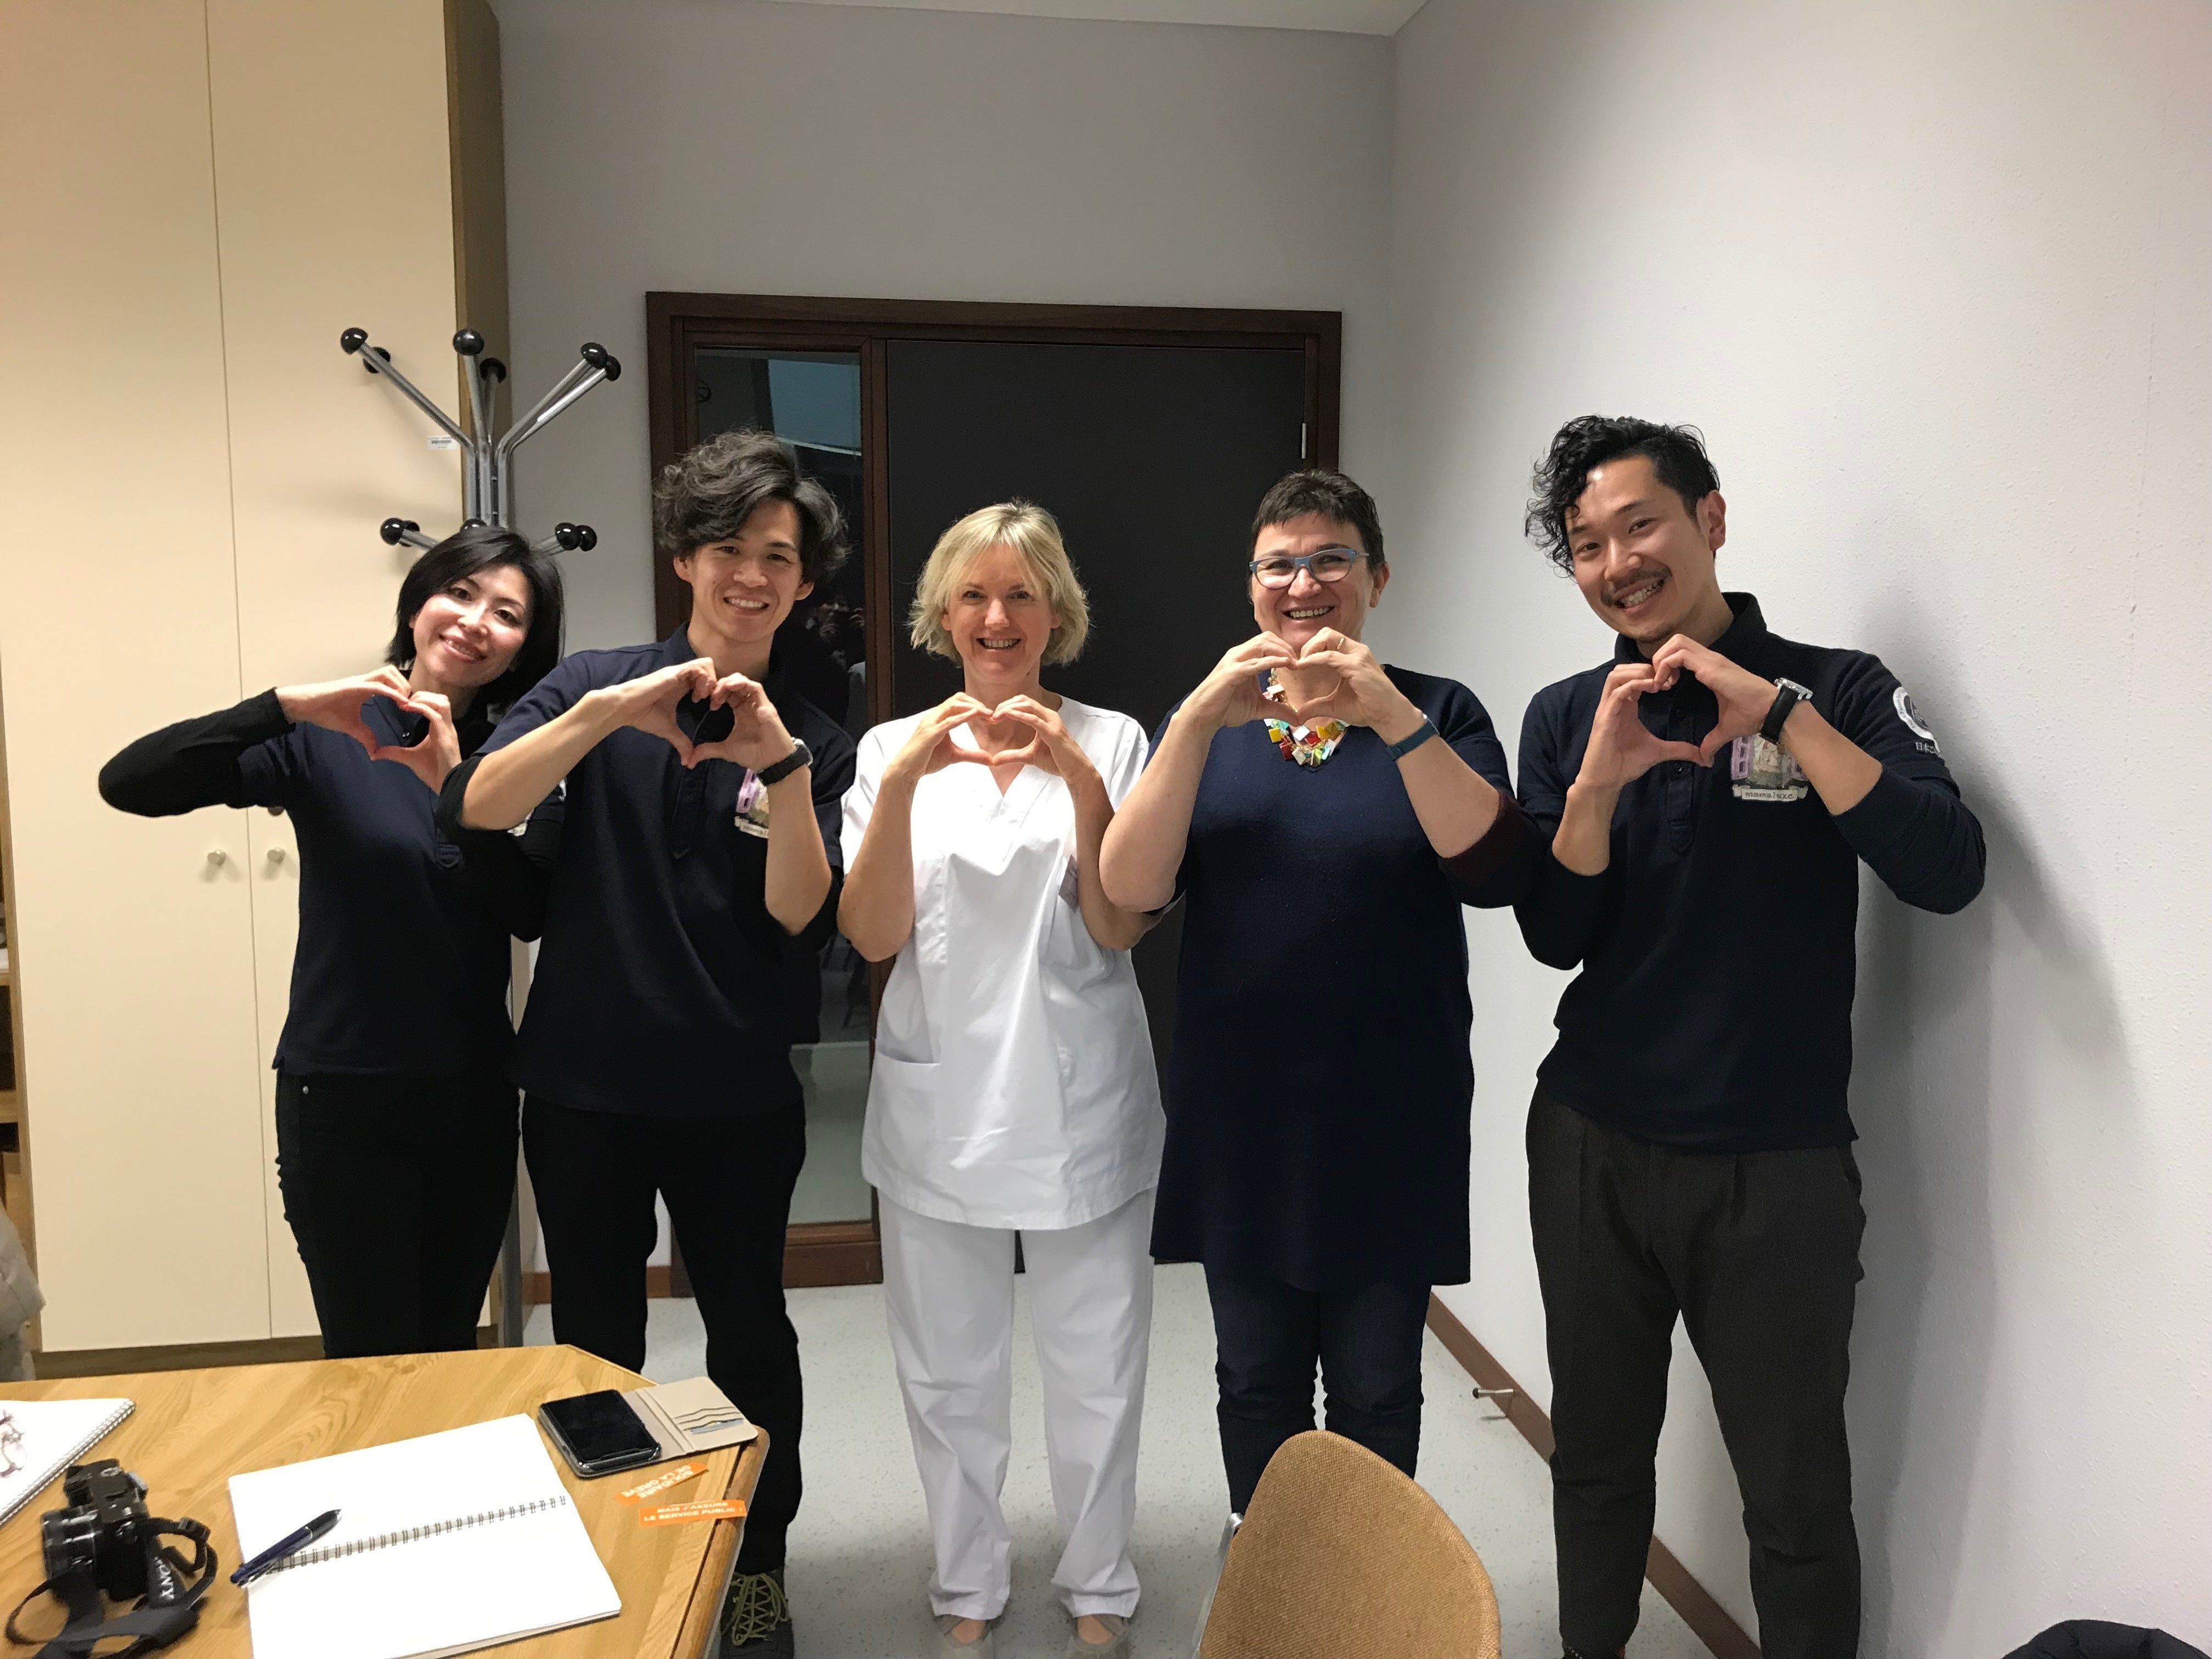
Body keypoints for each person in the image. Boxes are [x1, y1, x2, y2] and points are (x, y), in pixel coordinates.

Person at [1513, 416, 1986, 1659]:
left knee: (1795, 1497)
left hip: (1776, 1166)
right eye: (1588, 546)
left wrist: (1780, 718)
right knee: (1596, 1461)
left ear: (1710, 520)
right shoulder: (1566, 715)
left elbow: (1948, 869)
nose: (1618, 562)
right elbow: (1554, 935)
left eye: (1641, 525)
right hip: (1592, 1143)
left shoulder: (1839, 686)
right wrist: (1599, 783)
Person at [437, 430, 854, 1658]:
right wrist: (614, 710)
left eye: (777, 557)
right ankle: (609, 1562)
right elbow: (477, 805)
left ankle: (757, 1571)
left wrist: (780, 767)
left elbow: (799, 913)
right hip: (584, 1092)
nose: (750, 575)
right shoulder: (594, 687)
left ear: (803, 584)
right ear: (685, 557)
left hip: (736, 1097)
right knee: (593, 1345)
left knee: (749, 1336)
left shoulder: (813, 737)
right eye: (728, 547)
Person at [1099, 470, 1533, 1547]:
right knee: (1255, 1376)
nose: (1305, 584)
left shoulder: (1439, 710)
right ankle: (1276, 1576)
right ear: (1252, 587)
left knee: (1378, 1383)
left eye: (1331, 559)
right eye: (1279, 565)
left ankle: (1367, 1589)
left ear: (1376, 578)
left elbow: (1489, 869)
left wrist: (1392, 717)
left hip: (1392, 1109)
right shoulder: (1211, 725)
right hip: (1242, 1112)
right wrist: (1196, 720)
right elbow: (1131, 889)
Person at [98, 523, 564, 1358]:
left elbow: (528, 912)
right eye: (460, 593)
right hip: (344, 1099)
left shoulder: (522, 760)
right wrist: (287, 706)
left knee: (448, 1353)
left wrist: (455, 792)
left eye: (506, 613)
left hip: (473, 1101)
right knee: (369, 1360)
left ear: (522, 648)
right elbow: (130, 783)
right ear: (417, 605)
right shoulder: (328, 737)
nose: (475, 622)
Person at [839, 503, 1163, 1659]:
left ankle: (1101, 1581)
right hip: (940, 1108)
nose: (997, 617)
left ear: (1056, 612)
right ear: (942, 613)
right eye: (973, 594)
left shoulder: (1114, 741)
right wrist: (904, 783)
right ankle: (966, 1577)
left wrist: (1076, 776)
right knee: (948, 1370)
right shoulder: (890, 751)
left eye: (1022, 594)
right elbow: (872, 936)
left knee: (1098, 1363)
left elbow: (1118, 924)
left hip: (1081, 1101)